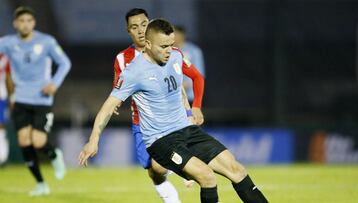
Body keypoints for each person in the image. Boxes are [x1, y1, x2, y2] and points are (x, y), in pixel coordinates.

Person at [79, 19, 268, 203]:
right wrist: (93, 140)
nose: (169, 50)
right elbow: (107, 108)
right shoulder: (134, 72)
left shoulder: (177, 55)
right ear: (148, 44)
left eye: (171, 44)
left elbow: (195, 78)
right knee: (207, 176)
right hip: (161, 140)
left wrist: (196, 107)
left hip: (187, 130)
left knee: (237, 170)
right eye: (163, 46)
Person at [112, 8, 203, 202]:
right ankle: (176, 179)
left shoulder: (165, 50)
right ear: (128, 31)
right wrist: (115, 103)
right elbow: (118, 88)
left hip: (171, 120)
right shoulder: (123, 59)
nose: (140, 30)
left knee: (160, 164)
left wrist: (189, 111)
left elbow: (178, 86)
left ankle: (185, 174)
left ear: (150, 24)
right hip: (142, 122)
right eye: (134, 27)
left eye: (144, 25)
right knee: (153, 170)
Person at [0, 7, 70, 196]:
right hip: (20, 99)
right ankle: (41, 184)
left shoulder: (46, 42)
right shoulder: (8, 43)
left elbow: (65, 63)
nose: (25, 24)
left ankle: (55, 155)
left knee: (38, 143)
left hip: (42, 100)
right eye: (21, 21)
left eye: (29, 21)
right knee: (24, 142)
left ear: (34, 23)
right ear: (15, 24)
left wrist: (54, 84)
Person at [174, 25, 206, 103]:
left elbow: (199, 74)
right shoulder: (170, 51)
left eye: (175, 33)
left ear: (182, 35)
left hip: (190, 96)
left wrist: (186, 84)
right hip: (173, 97)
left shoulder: (194, 50)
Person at [0, 54, 13, 166]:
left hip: (1, 97)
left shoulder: (4, 58)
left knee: (1, 126)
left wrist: (12, 97)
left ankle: (3, 157)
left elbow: (8, 78)